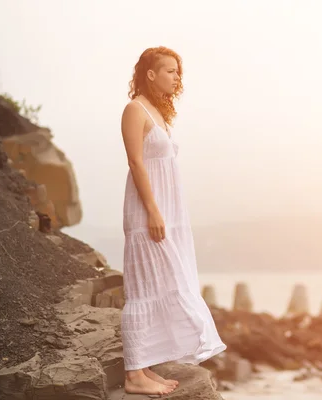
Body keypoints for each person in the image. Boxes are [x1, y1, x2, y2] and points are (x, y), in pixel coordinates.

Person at [119, 46, 227, 396]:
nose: (176, 77)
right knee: (142, 290)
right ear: (150, 74)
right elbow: (136, 163)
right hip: (148, 211)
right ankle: (134, 375)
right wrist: (152, 210)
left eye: (178, 72)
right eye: (169, 71)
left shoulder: (160, 112)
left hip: (167, 212)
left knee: (165, 283)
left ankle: (143, 367)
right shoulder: (134, 110)